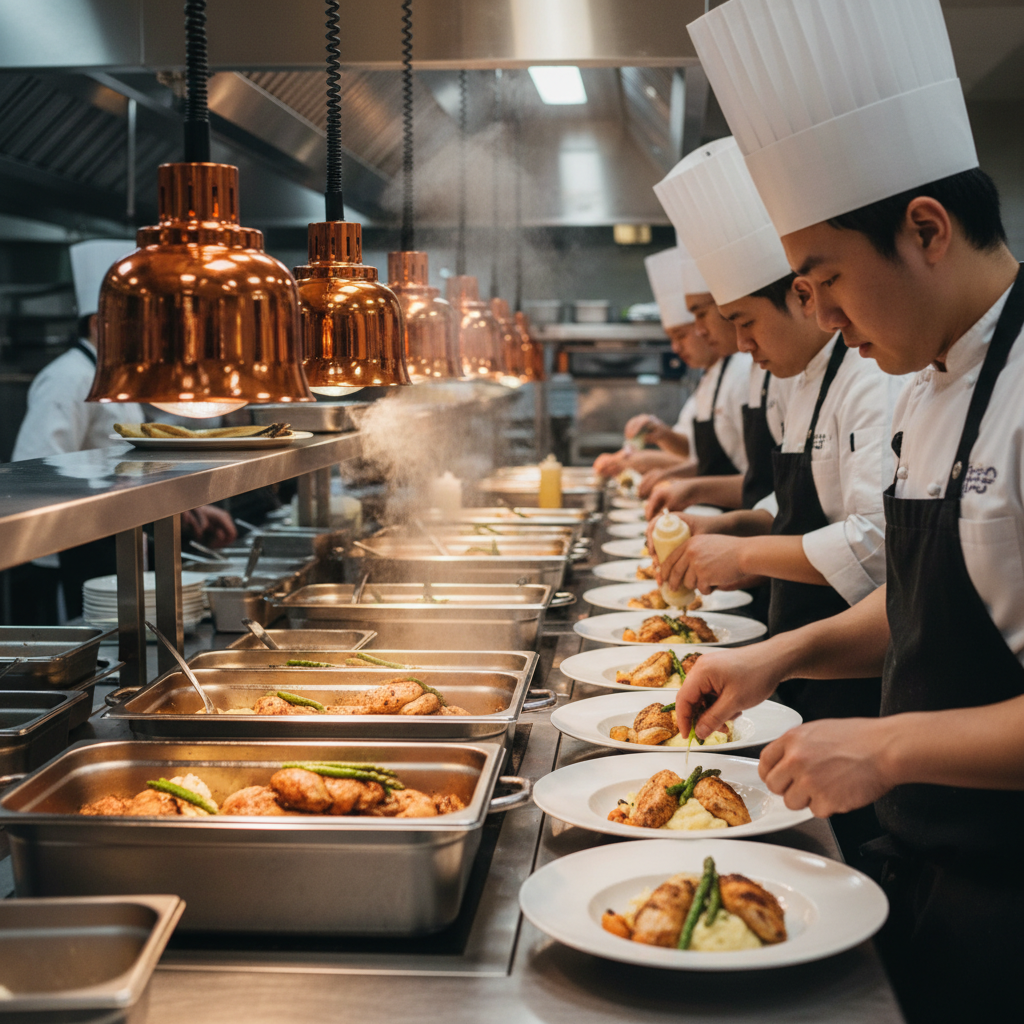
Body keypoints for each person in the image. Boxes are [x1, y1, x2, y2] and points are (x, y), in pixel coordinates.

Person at [681, 1, 1024, 1020]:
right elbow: (923, 597)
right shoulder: (928, 383)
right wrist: (777, 658)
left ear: (924, 227)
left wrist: (885, 745)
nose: (821, 316)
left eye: (827, 278)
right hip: (928, 868)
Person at [10, 239, 236, 621]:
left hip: (114, 543)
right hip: (71, 553)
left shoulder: (116, 377)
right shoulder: (69, 378)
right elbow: (31, 476)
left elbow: (123, 464)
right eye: (139, 320)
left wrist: (178, 503)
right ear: (100, 324)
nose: (151, 333)